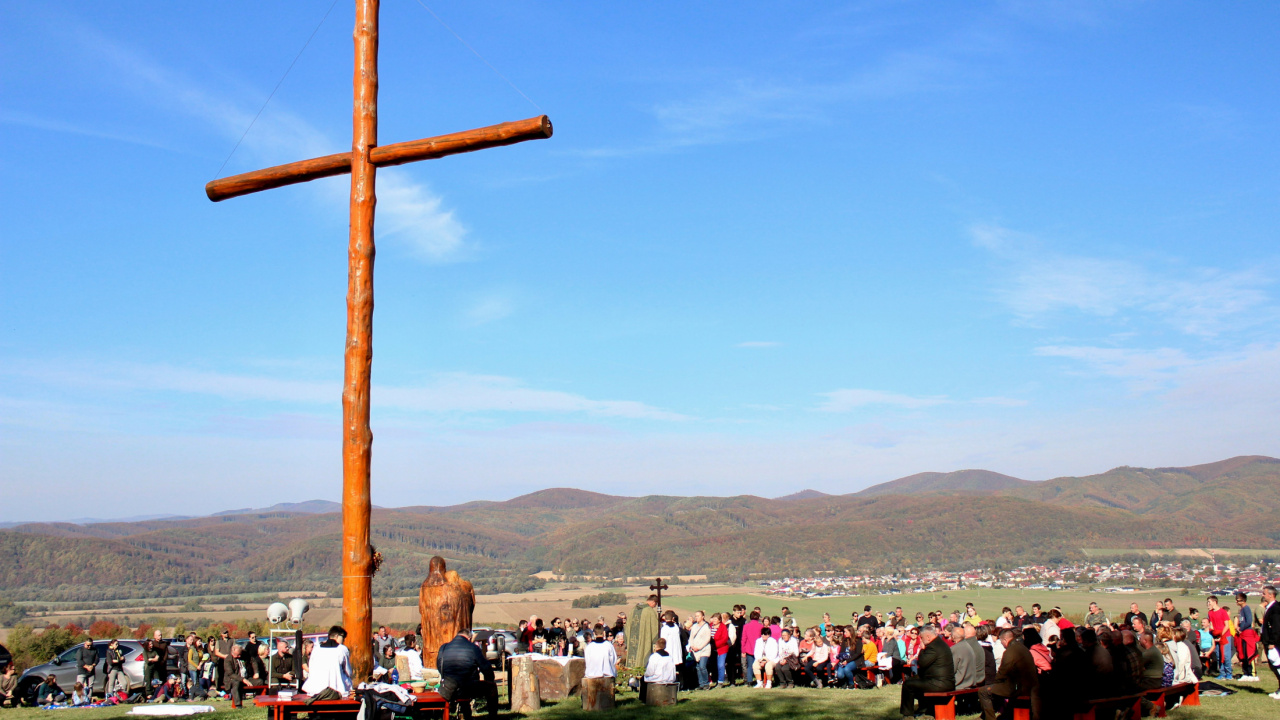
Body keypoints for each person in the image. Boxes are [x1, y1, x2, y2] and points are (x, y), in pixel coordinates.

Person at [979, 628, 1038, 720]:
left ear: (1005, 640)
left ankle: (990, 718)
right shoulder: (1022, 647)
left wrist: (995, 682)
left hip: (1018, 688)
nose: (1002, 644)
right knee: (996, 690)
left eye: (1001, 641)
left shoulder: (1011, 651)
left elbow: (1003, 671)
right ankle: (1005, 715)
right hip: (1029, 685)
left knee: (983, 691)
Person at [437, 629, 497, 718]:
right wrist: (490, 679)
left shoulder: (444, 647)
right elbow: (486, 668)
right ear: (469, 638)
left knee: (461, 685)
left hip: (448, 688)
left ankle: (466, 714)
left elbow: (439, 666)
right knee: (491, 687)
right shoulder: (473, 648)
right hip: (468, 688)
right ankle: (493, 717)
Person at [900, 625, 954, 719]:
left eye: (921, 637)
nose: (920, 639)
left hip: (939, 683)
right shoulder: (939, 643)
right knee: (913, 681)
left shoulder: (933, 647)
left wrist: (921, 649)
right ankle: (923, 708)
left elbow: (922, 663)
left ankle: (908, 715)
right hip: (942, 681)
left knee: (908, 684)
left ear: (928, 637)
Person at [302, 626, 353, 699]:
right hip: (336, 691)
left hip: (315, 690)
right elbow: (348, 672)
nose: (344, 640)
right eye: (343, 637)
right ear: (336, 636)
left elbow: (311, 668)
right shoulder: (342, 649)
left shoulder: (316, 649)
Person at [640, 637, 678, 703]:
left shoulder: (654, 656)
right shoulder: (670, 657)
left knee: (643, 679)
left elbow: (650, 672)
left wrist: (645, 674)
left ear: (656, 646)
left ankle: (644, 699)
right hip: (669, 679)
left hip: (658, 679)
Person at [1258, 584, 1280, 699]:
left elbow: (1276, 627)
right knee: (1274, 666)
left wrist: (1272, 642)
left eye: (1264, 593)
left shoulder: (1275, 608)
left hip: (1274, 644)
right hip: (1268, 641)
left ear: (1271, 595)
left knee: (1277, 665)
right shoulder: (1269, 607)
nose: (1263, 595)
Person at [1206, 595, 1234, 680]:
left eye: (1209, 602)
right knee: (1219, 655)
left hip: (1225, 636)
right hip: (1216, 636)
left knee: (1226, 655)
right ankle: (1222, 673)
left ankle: (1229, 673)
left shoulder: (1223, 612)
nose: (1208, 604)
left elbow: (1227, 625)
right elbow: (1212, 625)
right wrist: (1214, 635)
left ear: (1215, 602)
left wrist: (1221, 635)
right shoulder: (1210, 613)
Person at [1234, 591, 1259, 682]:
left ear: (1243, 600)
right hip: (1242, 634)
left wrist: (1241, 628)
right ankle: (1246, 673)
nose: (1236, 602)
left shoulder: (1246, 609)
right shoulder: (1241, 610)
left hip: (1247, 633)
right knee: (1243, 653)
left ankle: (1251, 674)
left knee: (1248, 653)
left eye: (1238, 600)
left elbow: (1249, 621)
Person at [687, 611, 712, 690]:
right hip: (695, 650)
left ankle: (706, 683)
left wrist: (700, 647)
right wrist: (692, 646)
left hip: (704, 649)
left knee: (702, 666)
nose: (696, 617)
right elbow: (691, 637)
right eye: (695, 616)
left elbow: (708, 638)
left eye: (698, 616)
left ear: (703, 617)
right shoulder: (694, 626)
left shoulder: (706, 626)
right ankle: (701, 684)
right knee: (698, 667)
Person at [950, 625, 979, 690]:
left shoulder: (954, 649)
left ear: (953, 637)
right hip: (971, 682)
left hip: (960, 685)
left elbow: (951, 669)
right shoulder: (968, 646)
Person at [143, 632, 168, 700]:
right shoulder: (145, 651)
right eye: (150, 644)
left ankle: (158, 693)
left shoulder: (154, 650)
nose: (151, 645)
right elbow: (147, 661)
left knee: (157, 680)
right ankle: (149, 694)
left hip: (156, 667)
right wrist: (153, 659)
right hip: (148, 668)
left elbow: (158, 658)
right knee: (148, 681)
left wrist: (152, 659)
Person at [740, 610, 762, 686]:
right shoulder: (761, 626)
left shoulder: (746, 626)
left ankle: (749, 681)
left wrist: (743, 650)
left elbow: (743, 639)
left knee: (750, 666)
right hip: (758, 649)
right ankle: (759, 679)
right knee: (759, 665)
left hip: (749, 648)